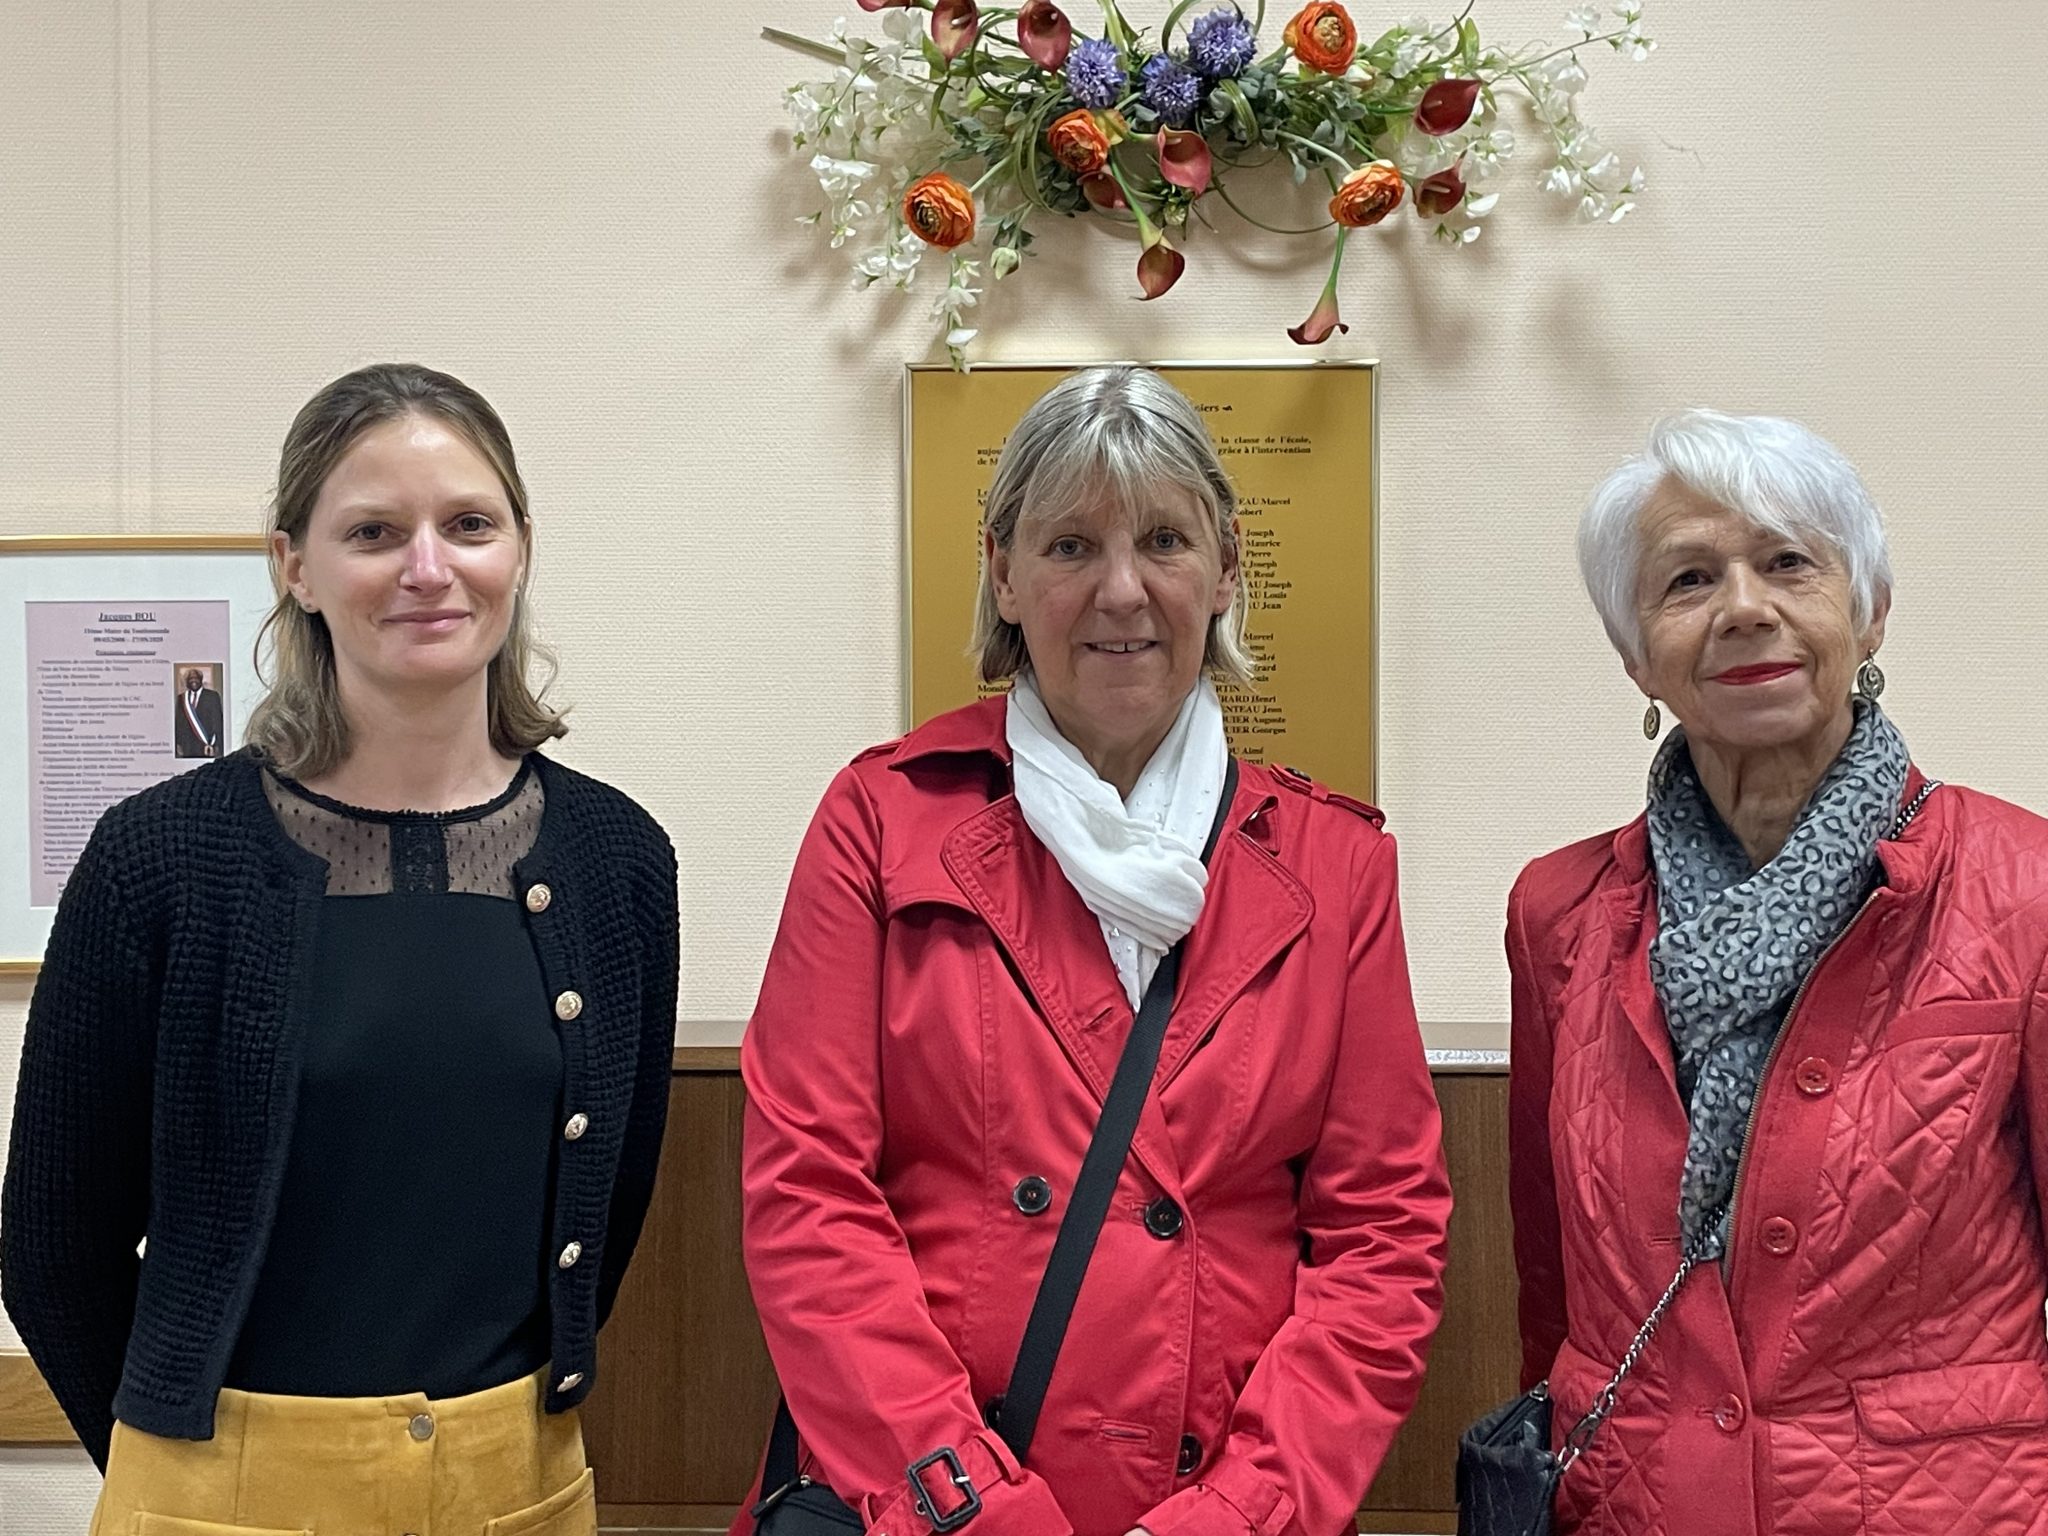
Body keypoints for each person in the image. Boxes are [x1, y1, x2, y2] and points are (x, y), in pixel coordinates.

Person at [737, 365, 1450, 1536]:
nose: (1121, 590)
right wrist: (970, 1506)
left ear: (1224, 567)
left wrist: (1240, 1514)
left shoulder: (1334, 866)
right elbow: (807, 1198)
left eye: (1162, 540)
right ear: (1002, 574)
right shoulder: (881, 823)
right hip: (925, 1506)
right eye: (1070, 546)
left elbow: (1382, 1237)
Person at [2, 362, 678, 1535]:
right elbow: (55, 1241)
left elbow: (613, 1205)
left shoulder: (616, 860)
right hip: (218, 1490)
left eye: (468, 524)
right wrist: (176, 1471)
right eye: (373, 532)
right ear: (295, 567)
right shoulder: (159, 856)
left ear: (519, 549)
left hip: (519, 1482)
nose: (428, 567)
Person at [1508, 408, 2048, 1534]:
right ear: (1634, 654)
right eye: (1688, 579)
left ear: (1869, 610)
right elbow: (1554, 1288)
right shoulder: (1558, 914)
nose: (1744, 607)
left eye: (1789, 562)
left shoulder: (2022, 892)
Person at [173, 666, 224, 757]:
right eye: (190, 679)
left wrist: (217, 745)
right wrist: (178, 744)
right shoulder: (181, 698)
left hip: (206, 746)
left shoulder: (212, 696)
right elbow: (178, 723)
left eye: (196, 678)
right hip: (188, 747)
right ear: (187, 682)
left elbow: (218, 721)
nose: (193, 680)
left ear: (201, 680)